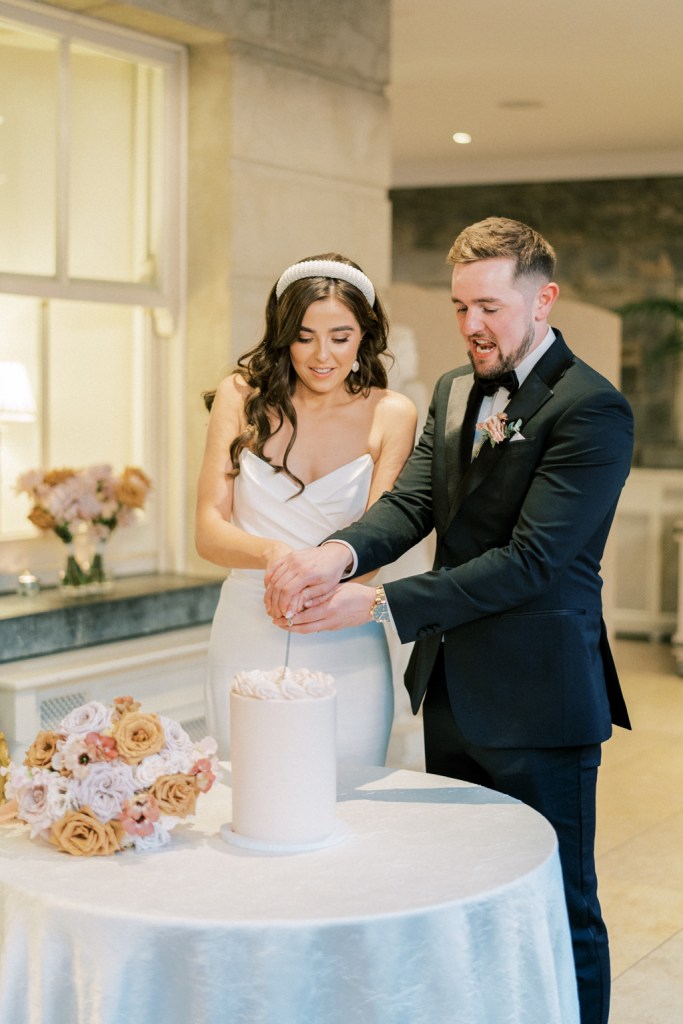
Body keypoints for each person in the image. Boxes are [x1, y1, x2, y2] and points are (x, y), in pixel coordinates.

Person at [264, 218, 634, 1024]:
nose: (471, 326)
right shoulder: (450, 389)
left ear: (544, 300)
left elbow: (534, 562)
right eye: (461, 306)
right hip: (452, 687)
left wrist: (382, 602)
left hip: (541, 699)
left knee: (558, 904)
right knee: (465, 891)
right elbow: (410, 505)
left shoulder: (592, 409)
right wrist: (335, 556)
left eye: (490, 308)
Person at [195, 253, 417, 765]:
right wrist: (277, 556)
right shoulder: (240, 395)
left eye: (340, 337)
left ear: (364, 334)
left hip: (342, 628)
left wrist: (313, 580)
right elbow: (208, 531)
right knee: (246, 791)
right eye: (304, 336)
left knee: (349, 790)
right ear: (283, 335)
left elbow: (377, 545)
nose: (322, 355)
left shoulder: (391, 413)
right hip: (246, 626)